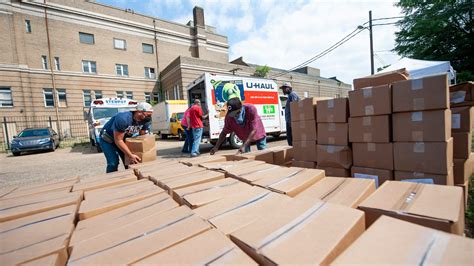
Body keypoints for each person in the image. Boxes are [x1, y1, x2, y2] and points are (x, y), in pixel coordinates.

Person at [99, 102, 153, 173]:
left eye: (150, 115)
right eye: (148, 114)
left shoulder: (145, 121)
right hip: (108, 140)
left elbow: (142, 136)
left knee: (129, 162)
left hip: (122, 140)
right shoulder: (123, 118)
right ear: (139, 112)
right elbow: (118, 140)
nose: (149, 117)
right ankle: (111, 179)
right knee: (113, 163)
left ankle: (130, 178)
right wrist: (130, 155)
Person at [280, 81, 300, 146]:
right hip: (289, 121)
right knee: (290, 140)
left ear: (289, 88)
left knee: (291, 140)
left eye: (284, 88)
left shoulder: (292, 95)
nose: (283, 90)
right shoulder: (290, 96)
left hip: (291, 122)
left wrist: (292, 121)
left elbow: (295, 108)